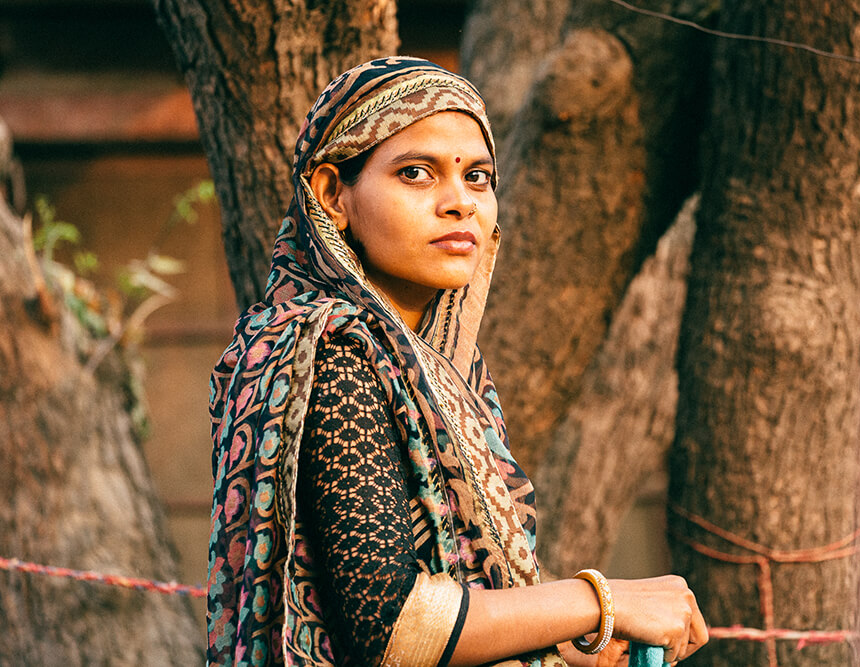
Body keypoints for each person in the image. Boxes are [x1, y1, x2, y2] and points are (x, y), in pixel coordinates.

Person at [206, 57, 708, 667]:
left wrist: (574, 648)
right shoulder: (333, 353)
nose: (459, 203)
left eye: (478, 176)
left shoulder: (446, 372)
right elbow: (394, 628)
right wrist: (602, 601)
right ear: (333, 195)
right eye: (417, 173)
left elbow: (464, 604)